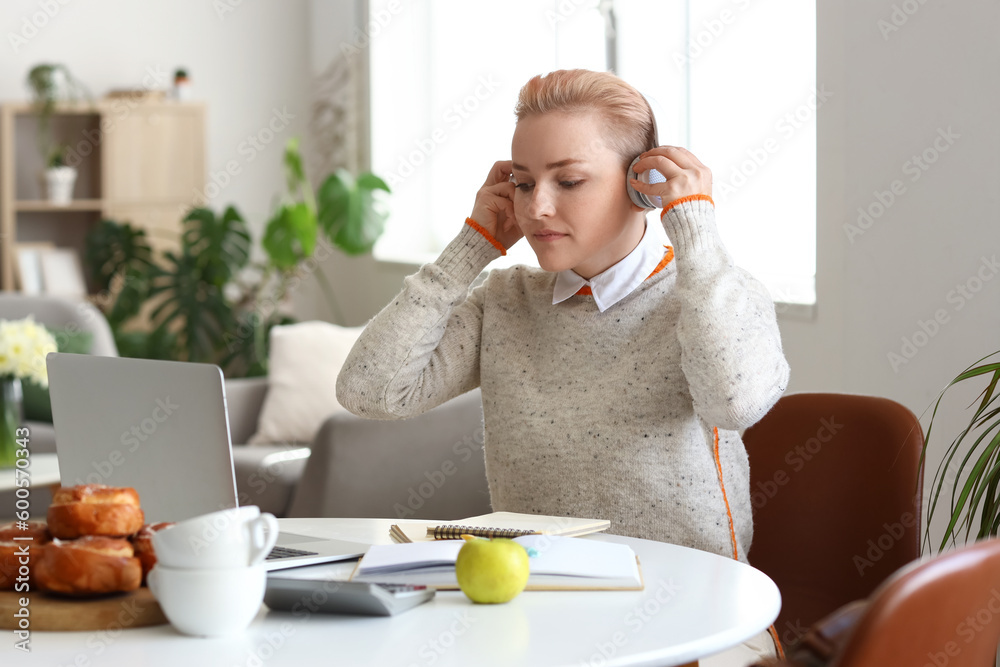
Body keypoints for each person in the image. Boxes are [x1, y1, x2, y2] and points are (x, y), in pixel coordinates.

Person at [336, 69, 790, 664]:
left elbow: (735, 402)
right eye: (523, 184)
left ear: (643, 188)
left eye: (569, 180)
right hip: (539, 618)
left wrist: (695, 230)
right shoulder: (504, 301)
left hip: (693, 619)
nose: (537, 208)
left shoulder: (711, 294)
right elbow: (370, 391)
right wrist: (469, 247)